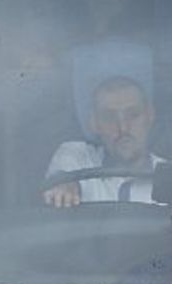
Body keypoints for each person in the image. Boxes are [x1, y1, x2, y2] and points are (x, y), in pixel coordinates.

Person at [43, 74, 162, 206]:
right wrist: (64, 186)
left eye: (133, 115)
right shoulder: (77, 157)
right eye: (109, 117)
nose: (123, 128)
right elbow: (60, 180)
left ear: (150, 116)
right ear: (94, 123)